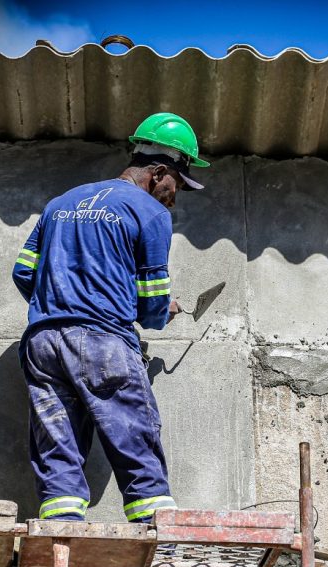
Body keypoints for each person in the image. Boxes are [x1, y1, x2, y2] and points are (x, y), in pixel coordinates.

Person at [11, 112, 208, 523]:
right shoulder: (151, 213)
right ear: (157, 173)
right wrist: (159, 312)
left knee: (57, 445)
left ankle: (61, 538)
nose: (175, 195)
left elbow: (24, 272)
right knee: (134, 436)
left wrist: (61, 302)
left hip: (43, 343)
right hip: (102, 342)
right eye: (177, 185)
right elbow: (152, 301)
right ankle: (158, 543)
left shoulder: (60, 204)